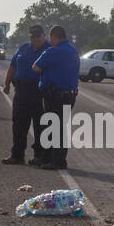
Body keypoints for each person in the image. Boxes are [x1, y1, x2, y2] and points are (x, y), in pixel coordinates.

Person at [31, 25, 80, 171]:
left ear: (55, 37)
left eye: (51, 38)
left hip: (55, 95)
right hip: (70, 95)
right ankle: (52, 159)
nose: (49, 41)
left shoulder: (53, 51)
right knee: (60, 128)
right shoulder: (73, 50)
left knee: (53, 128)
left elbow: (36, 67)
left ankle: (56, 161)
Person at [1, 25, 49, 164]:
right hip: (21, 89)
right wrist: (7, 83)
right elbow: (13, 66)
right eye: (33, 36)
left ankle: (39, 156)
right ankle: (17, 155)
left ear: (43, 35)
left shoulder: (49, 49)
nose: (35, 39)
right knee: (19, 124)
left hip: (39, 91)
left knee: (40, 125)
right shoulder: (23, 47)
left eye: (38, 36)